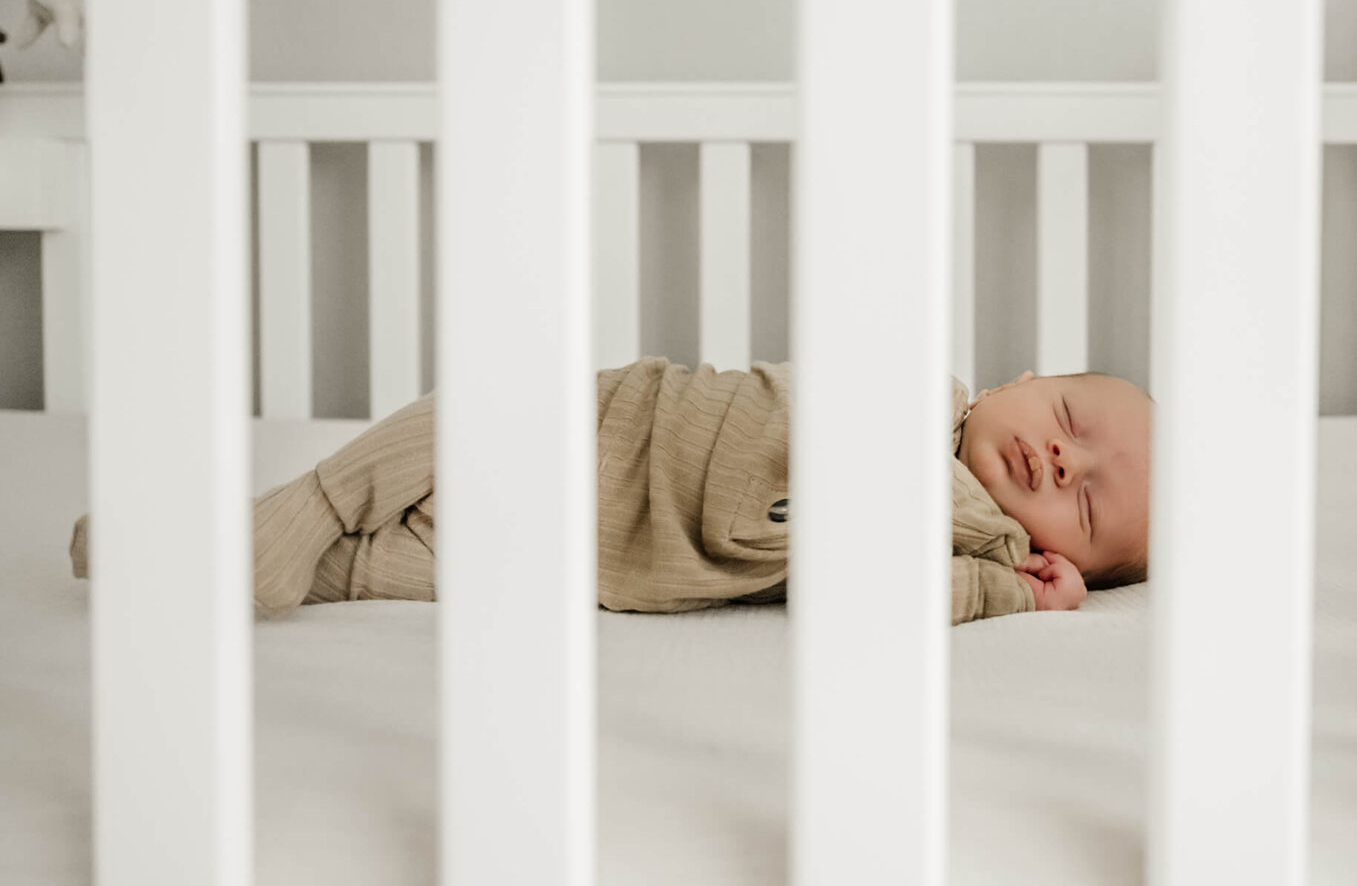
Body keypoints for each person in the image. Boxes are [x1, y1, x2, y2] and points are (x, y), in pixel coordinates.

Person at [67, 357, 1152, 626]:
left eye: (1087, 502)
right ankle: (291, 512)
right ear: (1020, 381)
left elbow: (878, 592)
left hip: (600, 562)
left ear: (1075, 561)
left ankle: (206, 553)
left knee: (384, 571)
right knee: (460, 419)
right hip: (615, 428)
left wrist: (1018, 590)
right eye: (1069, 422)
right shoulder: (916, 388)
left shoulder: (972, 557)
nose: (1063, 463)